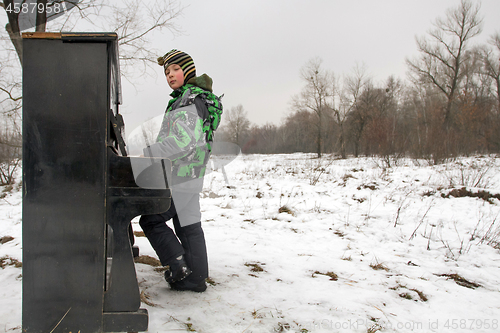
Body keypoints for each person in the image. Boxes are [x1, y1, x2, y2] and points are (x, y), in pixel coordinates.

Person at [139, 49, 223, 292]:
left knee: (151, 220)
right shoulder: (196, 97)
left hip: (181, 174)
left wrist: (150, 152)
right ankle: (195, 279)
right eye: (166, 72)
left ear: (188, 71)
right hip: (192, 172)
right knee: (188, 225)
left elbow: (182, 141)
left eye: (175, 69)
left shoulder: (188, 99)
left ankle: (178, 266)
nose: (170, 75)